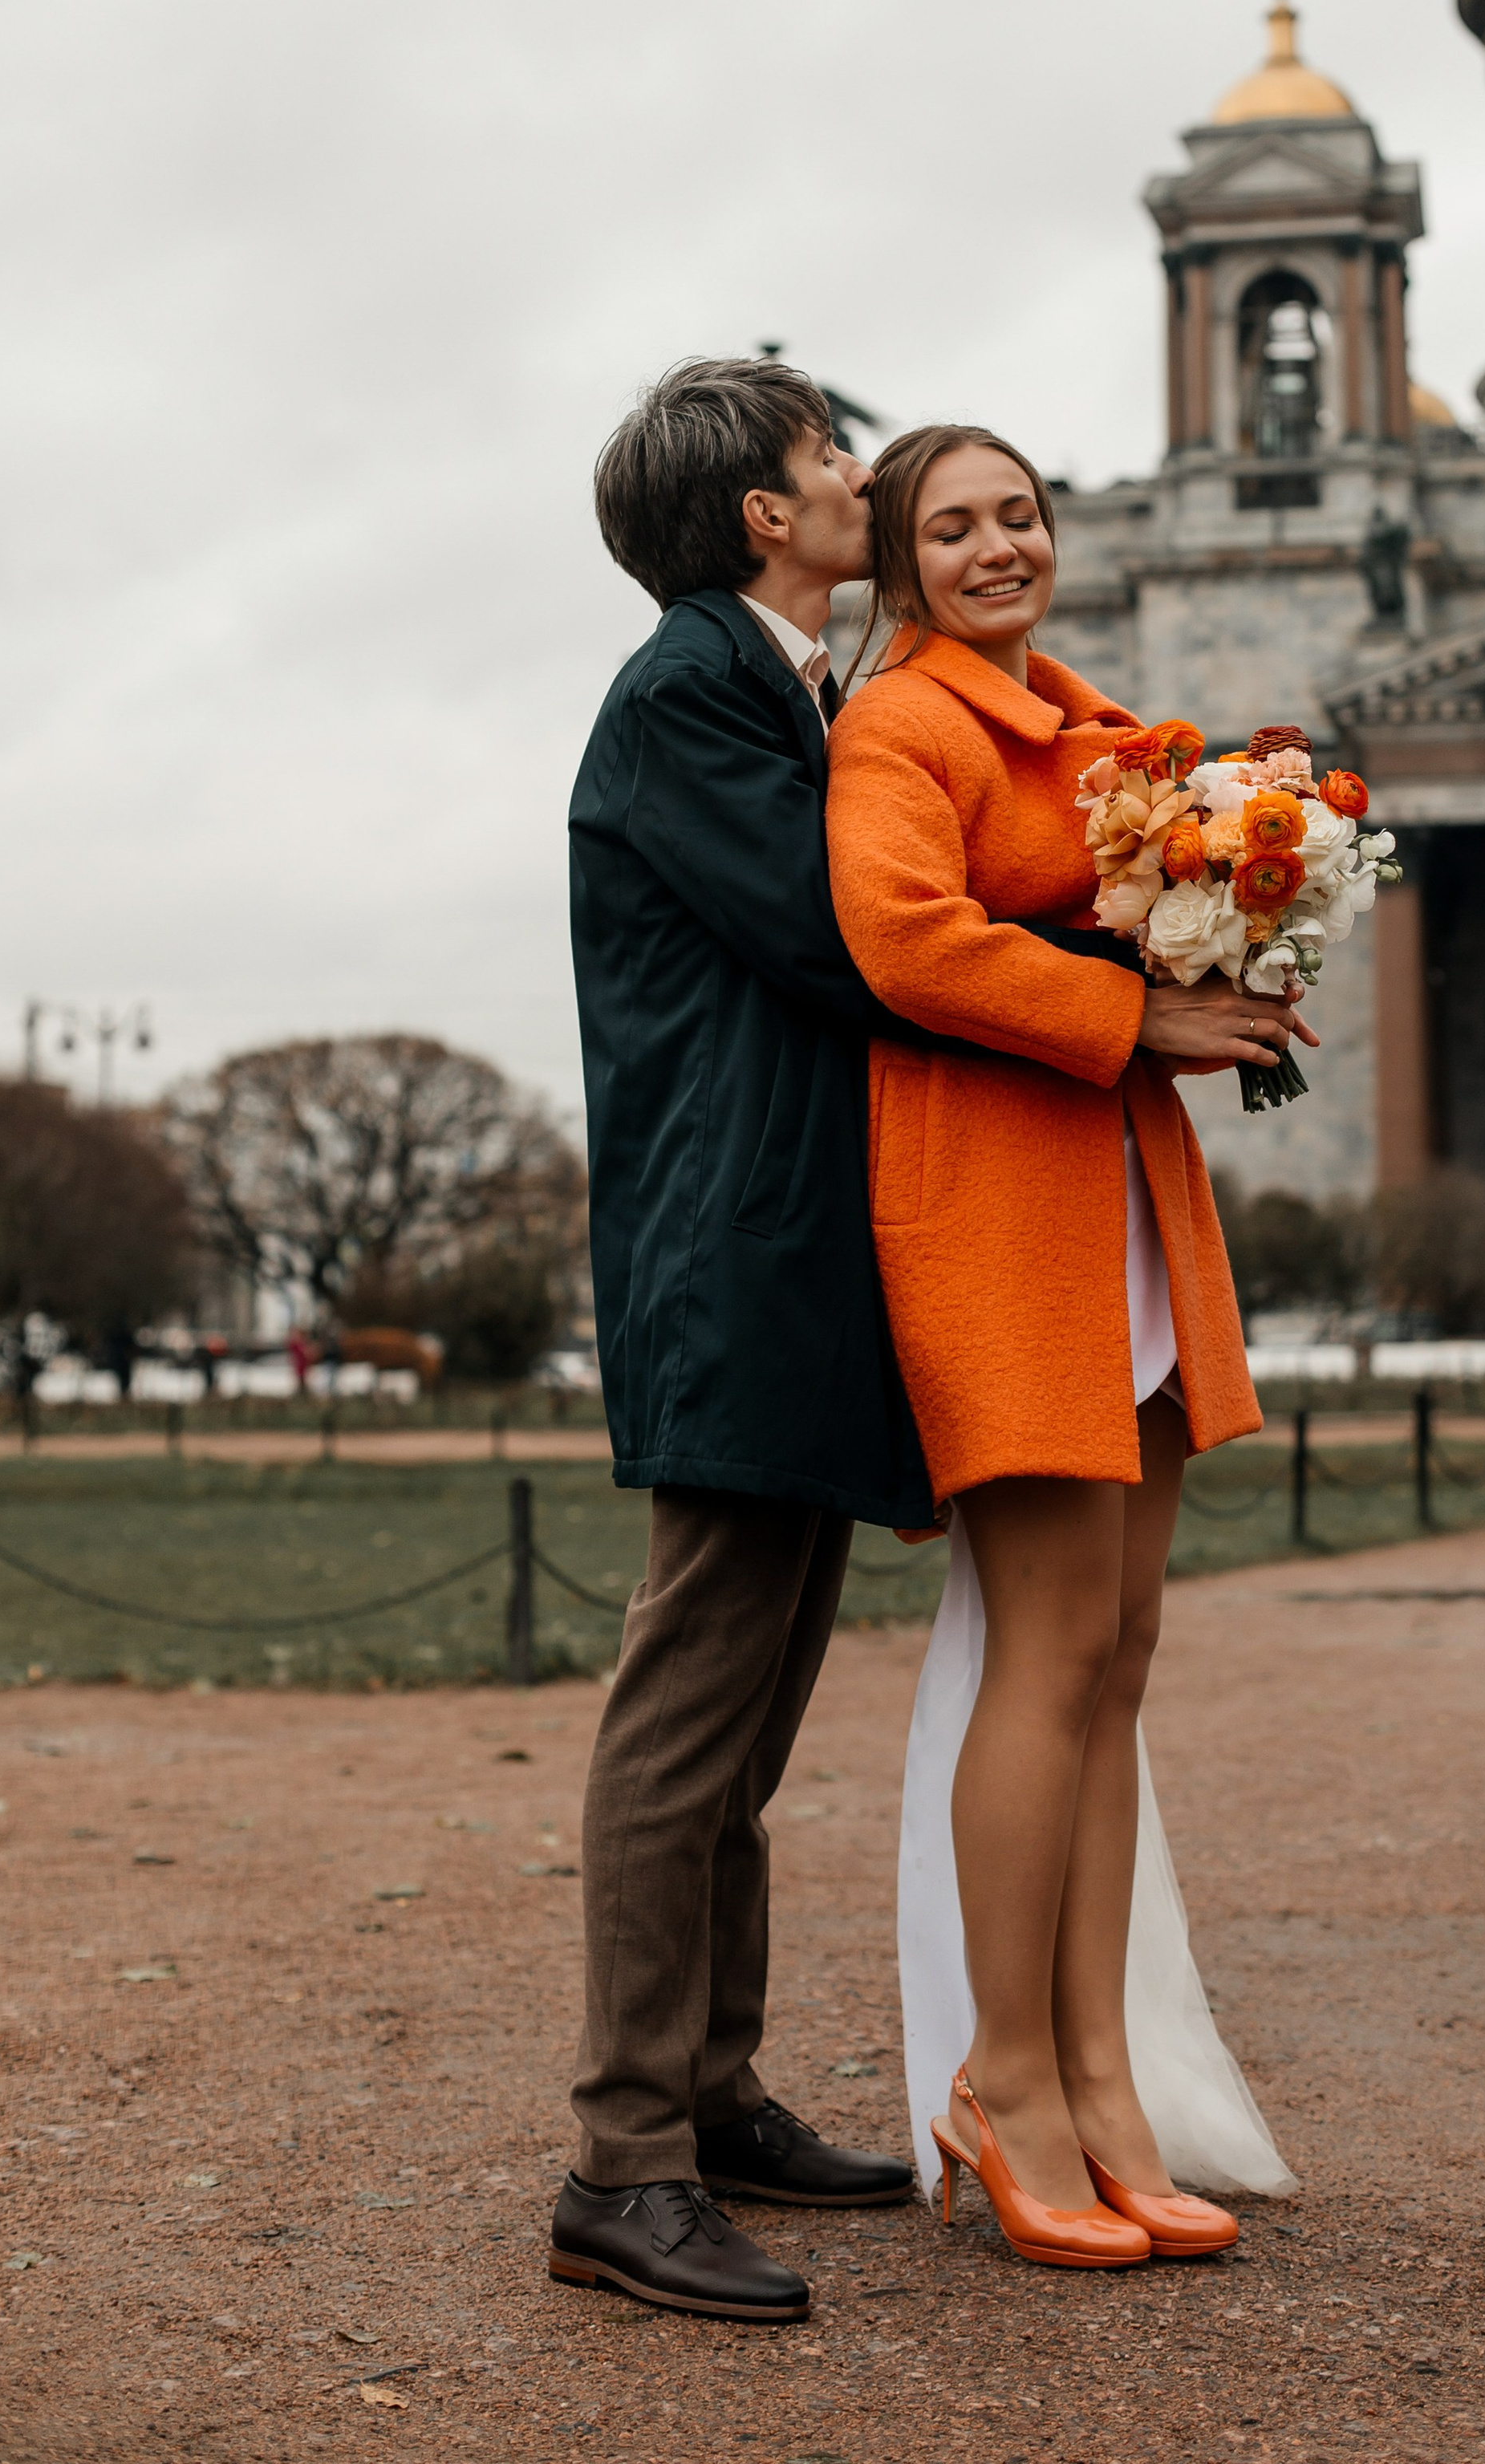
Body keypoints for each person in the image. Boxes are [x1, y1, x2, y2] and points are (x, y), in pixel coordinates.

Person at [826, 422, 1303, 2272]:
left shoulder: (1108, 733)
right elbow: (902, 939)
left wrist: (1245, 968)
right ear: (900, 564)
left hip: (1110, 1210)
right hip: (992, 1214)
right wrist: (1143, 1010)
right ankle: (1001, 2080)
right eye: (950, 526)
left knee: (1111, 1652)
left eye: (1016, 512)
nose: (994, 544)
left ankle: (1102, 2076)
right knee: (1042, 1653)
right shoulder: (904, 724)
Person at [550, 356, 929, 2329]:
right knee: (688, 1706)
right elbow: (834, 929)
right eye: (827, 454)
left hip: (782, 1247)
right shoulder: (698, 682)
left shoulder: (769, 681)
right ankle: (622, 2158)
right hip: (733, 1246)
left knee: (752, 1708)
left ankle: (708, 2089)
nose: (858, 472)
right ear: (763, 515)